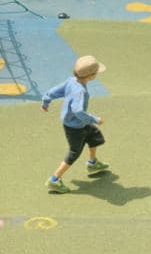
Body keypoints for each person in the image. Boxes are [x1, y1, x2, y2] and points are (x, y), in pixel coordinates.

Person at [42, 55, 108, 193]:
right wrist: (94, 119)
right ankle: (54, 179)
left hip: (78, 123)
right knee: (74, 152)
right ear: (91, 76)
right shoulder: (81, 91)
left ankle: (93, 163)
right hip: (75, 127)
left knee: (94, 135)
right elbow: (78, 111)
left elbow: (55, 91)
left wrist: (46, 99)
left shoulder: (72, 81)